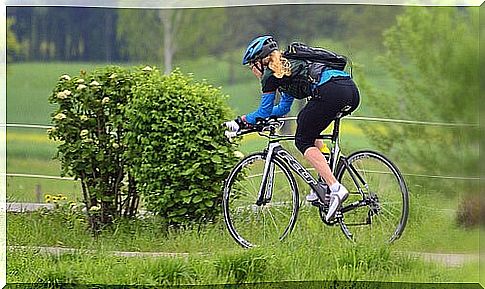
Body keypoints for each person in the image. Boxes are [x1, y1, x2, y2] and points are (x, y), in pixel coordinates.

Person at [224, 35, 360, 222]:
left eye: (251, 66)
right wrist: (259, 120)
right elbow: (282, 108)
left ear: (260, 62)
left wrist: (240, 121)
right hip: (350, 90)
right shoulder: (286, 67)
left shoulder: (270, 75)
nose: (252, 70)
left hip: (331, 91)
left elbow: (263, 112)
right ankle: (324, 183)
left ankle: (335, 188)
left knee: (302, 138)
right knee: (311, 129)